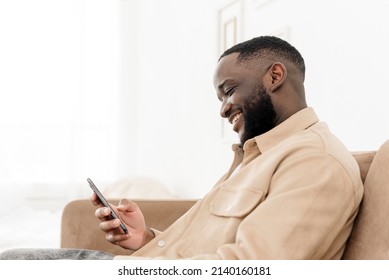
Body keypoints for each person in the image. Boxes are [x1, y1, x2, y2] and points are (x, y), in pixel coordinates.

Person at [0, 36, 363, 260]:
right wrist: (145, 238)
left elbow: (253, 266)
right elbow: (210, 247)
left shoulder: (316, 161)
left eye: (229, 90)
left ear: (275, 76)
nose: (222, 108)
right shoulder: (259, 156)